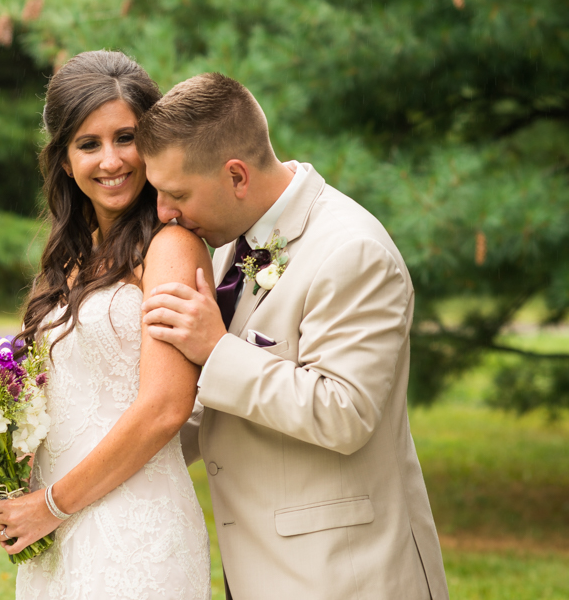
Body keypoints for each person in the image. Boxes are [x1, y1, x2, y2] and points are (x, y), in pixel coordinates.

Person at [139, 73, 450, 599]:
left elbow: (344, 412)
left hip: (345, 575)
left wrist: (216, 349)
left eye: (176, 194)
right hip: (260, 569)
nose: (164, 213)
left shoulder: (353, 252)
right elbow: (215, 404)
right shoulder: (224, 242)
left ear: (236, 176)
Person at [0, 51, 212, 599]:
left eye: (126, 138)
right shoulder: (71, 259)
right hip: (58, 532)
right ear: (63, 160)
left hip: (134, 530)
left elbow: (165, 407)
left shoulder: (171, 246)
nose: (112, 160)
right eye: (89, 144)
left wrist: (50, 504)